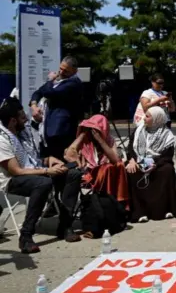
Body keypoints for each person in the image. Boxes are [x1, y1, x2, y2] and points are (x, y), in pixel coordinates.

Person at [0, 98, 83, 253]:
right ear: (12, 121)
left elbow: (32, 159)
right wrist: (47, 171)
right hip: (12, 179)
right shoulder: (2, 139)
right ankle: (25, 235)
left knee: (72, 173)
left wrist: (48, 160)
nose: (25, 119)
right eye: (22, 117)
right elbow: (16, 171)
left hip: (35, 171)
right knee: (43, 183)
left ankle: (65, 225)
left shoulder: (22, 132)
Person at [126, 106, 176, 222]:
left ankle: (164, 210)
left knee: (167, 170)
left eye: (148, 116)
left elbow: (167, 155)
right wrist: (132, 160)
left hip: (158, 162)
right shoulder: (139, 130)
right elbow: (131, 148)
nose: (144, 118)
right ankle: (139, 212)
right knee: (131, 170)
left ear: (157, 119)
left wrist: (155, 164)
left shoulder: (166, 134)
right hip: (139, 159)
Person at [63, 114, 129, 204]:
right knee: (105, 169)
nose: (92, 132)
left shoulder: (109, 141)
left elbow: (116, 160)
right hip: (89, 175)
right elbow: (68, 154)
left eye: (96, 130)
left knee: (112, 167)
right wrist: (82, 134)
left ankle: (113, 202)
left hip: (106, 175)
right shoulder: (85, 141)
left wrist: (100, 140)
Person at [29, 57, 84, 161]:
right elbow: (38, 92)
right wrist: (34, 106)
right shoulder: (58, 81)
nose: (61, 72)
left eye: (66, 71)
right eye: (61, 69)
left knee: (59, 161)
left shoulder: (74, 83)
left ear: (74, 71)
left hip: (60, 132)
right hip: (46, 129)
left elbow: (49, 93)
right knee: (47, 161)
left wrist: (50, 80)